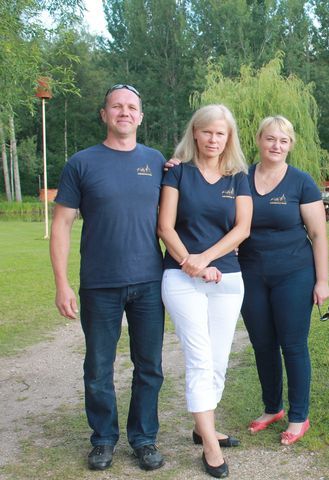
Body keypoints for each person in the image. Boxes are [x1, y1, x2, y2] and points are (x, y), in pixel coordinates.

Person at [50, 84, 166, 471]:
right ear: (104, 114)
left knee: (149, 366)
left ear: (141, 116)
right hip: (99, 283)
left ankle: (144, 438)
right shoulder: (81, 163)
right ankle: (103, 439)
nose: (124, 112)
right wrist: (62, 283)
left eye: (131, 107)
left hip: (149, 282)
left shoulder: (156, 161)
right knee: (99, 367)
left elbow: (180, 212)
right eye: (116, 106)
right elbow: (62, 225)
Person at [158, 104, 252, 478]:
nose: (214, 139)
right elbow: (165, 227)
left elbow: (242, 228)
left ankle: (203, 427)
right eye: (207, 132)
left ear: (229, 138)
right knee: (199, 358)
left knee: (218, 360)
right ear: (195, 133)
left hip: (227, 280)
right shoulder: (177, 172)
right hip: (182, 279)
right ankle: (210, 446)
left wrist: (206, 259)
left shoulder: (238, 177)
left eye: (220, 133)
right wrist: (190, 263)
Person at [238, 116, 329, 445]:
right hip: (251, 273)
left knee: (292, 345)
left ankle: (299, 416)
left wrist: (322, 281)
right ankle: (272, 408)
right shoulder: (240, 177)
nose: (276, 145)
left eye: (283, 140)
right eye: (270, 139)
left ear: (290, 145)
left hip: (294, 273)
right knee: (262, 344)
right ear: (259, 140)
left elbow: (318, 234)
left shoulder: (301, 182)